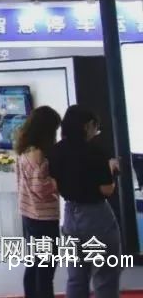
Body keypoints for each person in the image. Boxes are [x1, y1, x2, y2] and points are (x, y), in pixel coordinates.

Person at [49, 106, 121, 298]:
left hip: (70, 216)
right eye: (95, 127)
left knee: (76, 276)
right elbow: (107, 189)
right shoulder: (95, 152)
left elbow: (53, 185)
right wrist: (111, 170)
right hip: (96, 217)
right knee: (105, 273)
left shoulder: (55, 150)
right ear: (87, 125)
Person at [15, 105, 62, 298]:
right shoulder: (39, 154)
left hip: (28, 213)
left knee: (34, 263)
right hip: (43, 217)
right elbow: (40, 188)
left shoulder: (24, 149)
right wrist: (58, 182)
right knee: (46, 267)